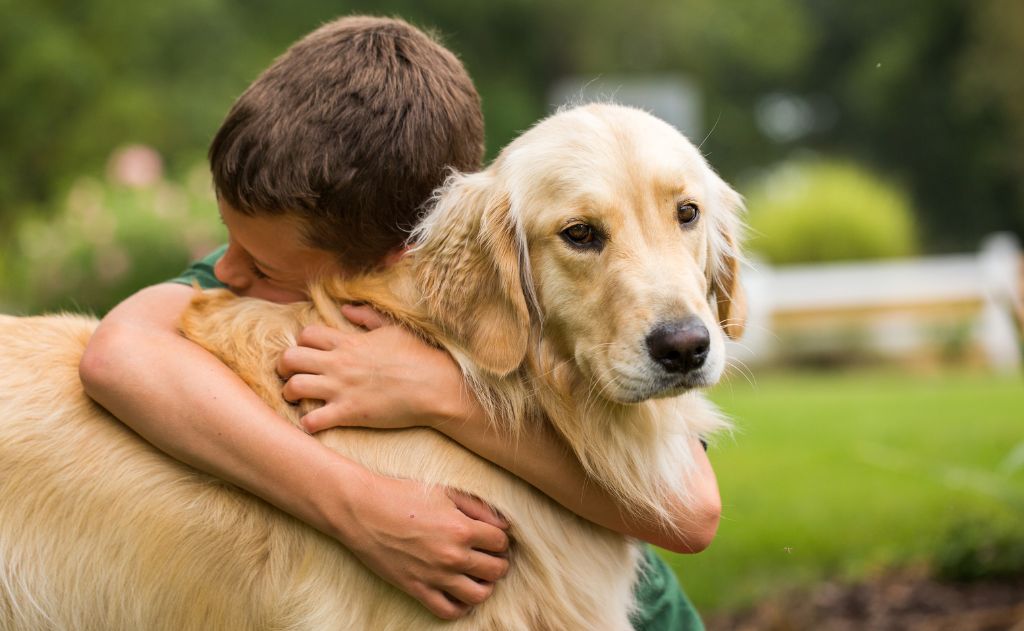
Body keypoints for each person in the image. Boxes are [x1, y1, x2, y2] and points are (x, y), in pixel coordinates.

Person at [78, 15, 720, 628]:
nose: (227, 273)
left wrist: (441, 396)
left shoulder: (482, 264)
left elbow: (691, 514)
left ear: (395, 260)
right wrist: (358, 505)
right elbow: (117, 355)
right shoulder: (270, 258)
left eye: (266, 266)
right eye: (228, 240)